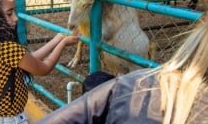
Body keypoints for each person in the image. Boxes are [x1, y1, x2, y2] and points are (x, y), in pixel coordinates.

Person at [37, 12, 208, 124]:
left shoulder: (131, 86)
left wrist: (60, 41)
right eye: (10, 13)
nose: (15, 18)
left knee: (94, 80)